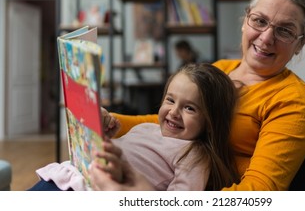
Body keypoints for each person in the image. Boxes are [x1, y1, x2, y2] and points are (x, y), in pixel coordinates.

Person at [89, 0, 305, 191]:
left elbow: (260, 192)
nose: (266, 38)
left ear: (300, 43)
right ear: (245, 20)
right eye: (259, 21)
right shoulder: (221, 69)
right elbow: (168, 121)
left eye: (285, 31)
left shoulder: (293, 101)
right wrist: (111, 121)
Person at [28, 63, 240, 191]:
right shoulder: (146, 128)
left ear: (210, 122)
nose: (174, 112)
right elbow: (115, 156)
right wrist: (102, 136)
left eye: (190, 108)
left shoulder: (194, 154)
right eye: (170, 100)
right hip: (67, 177)